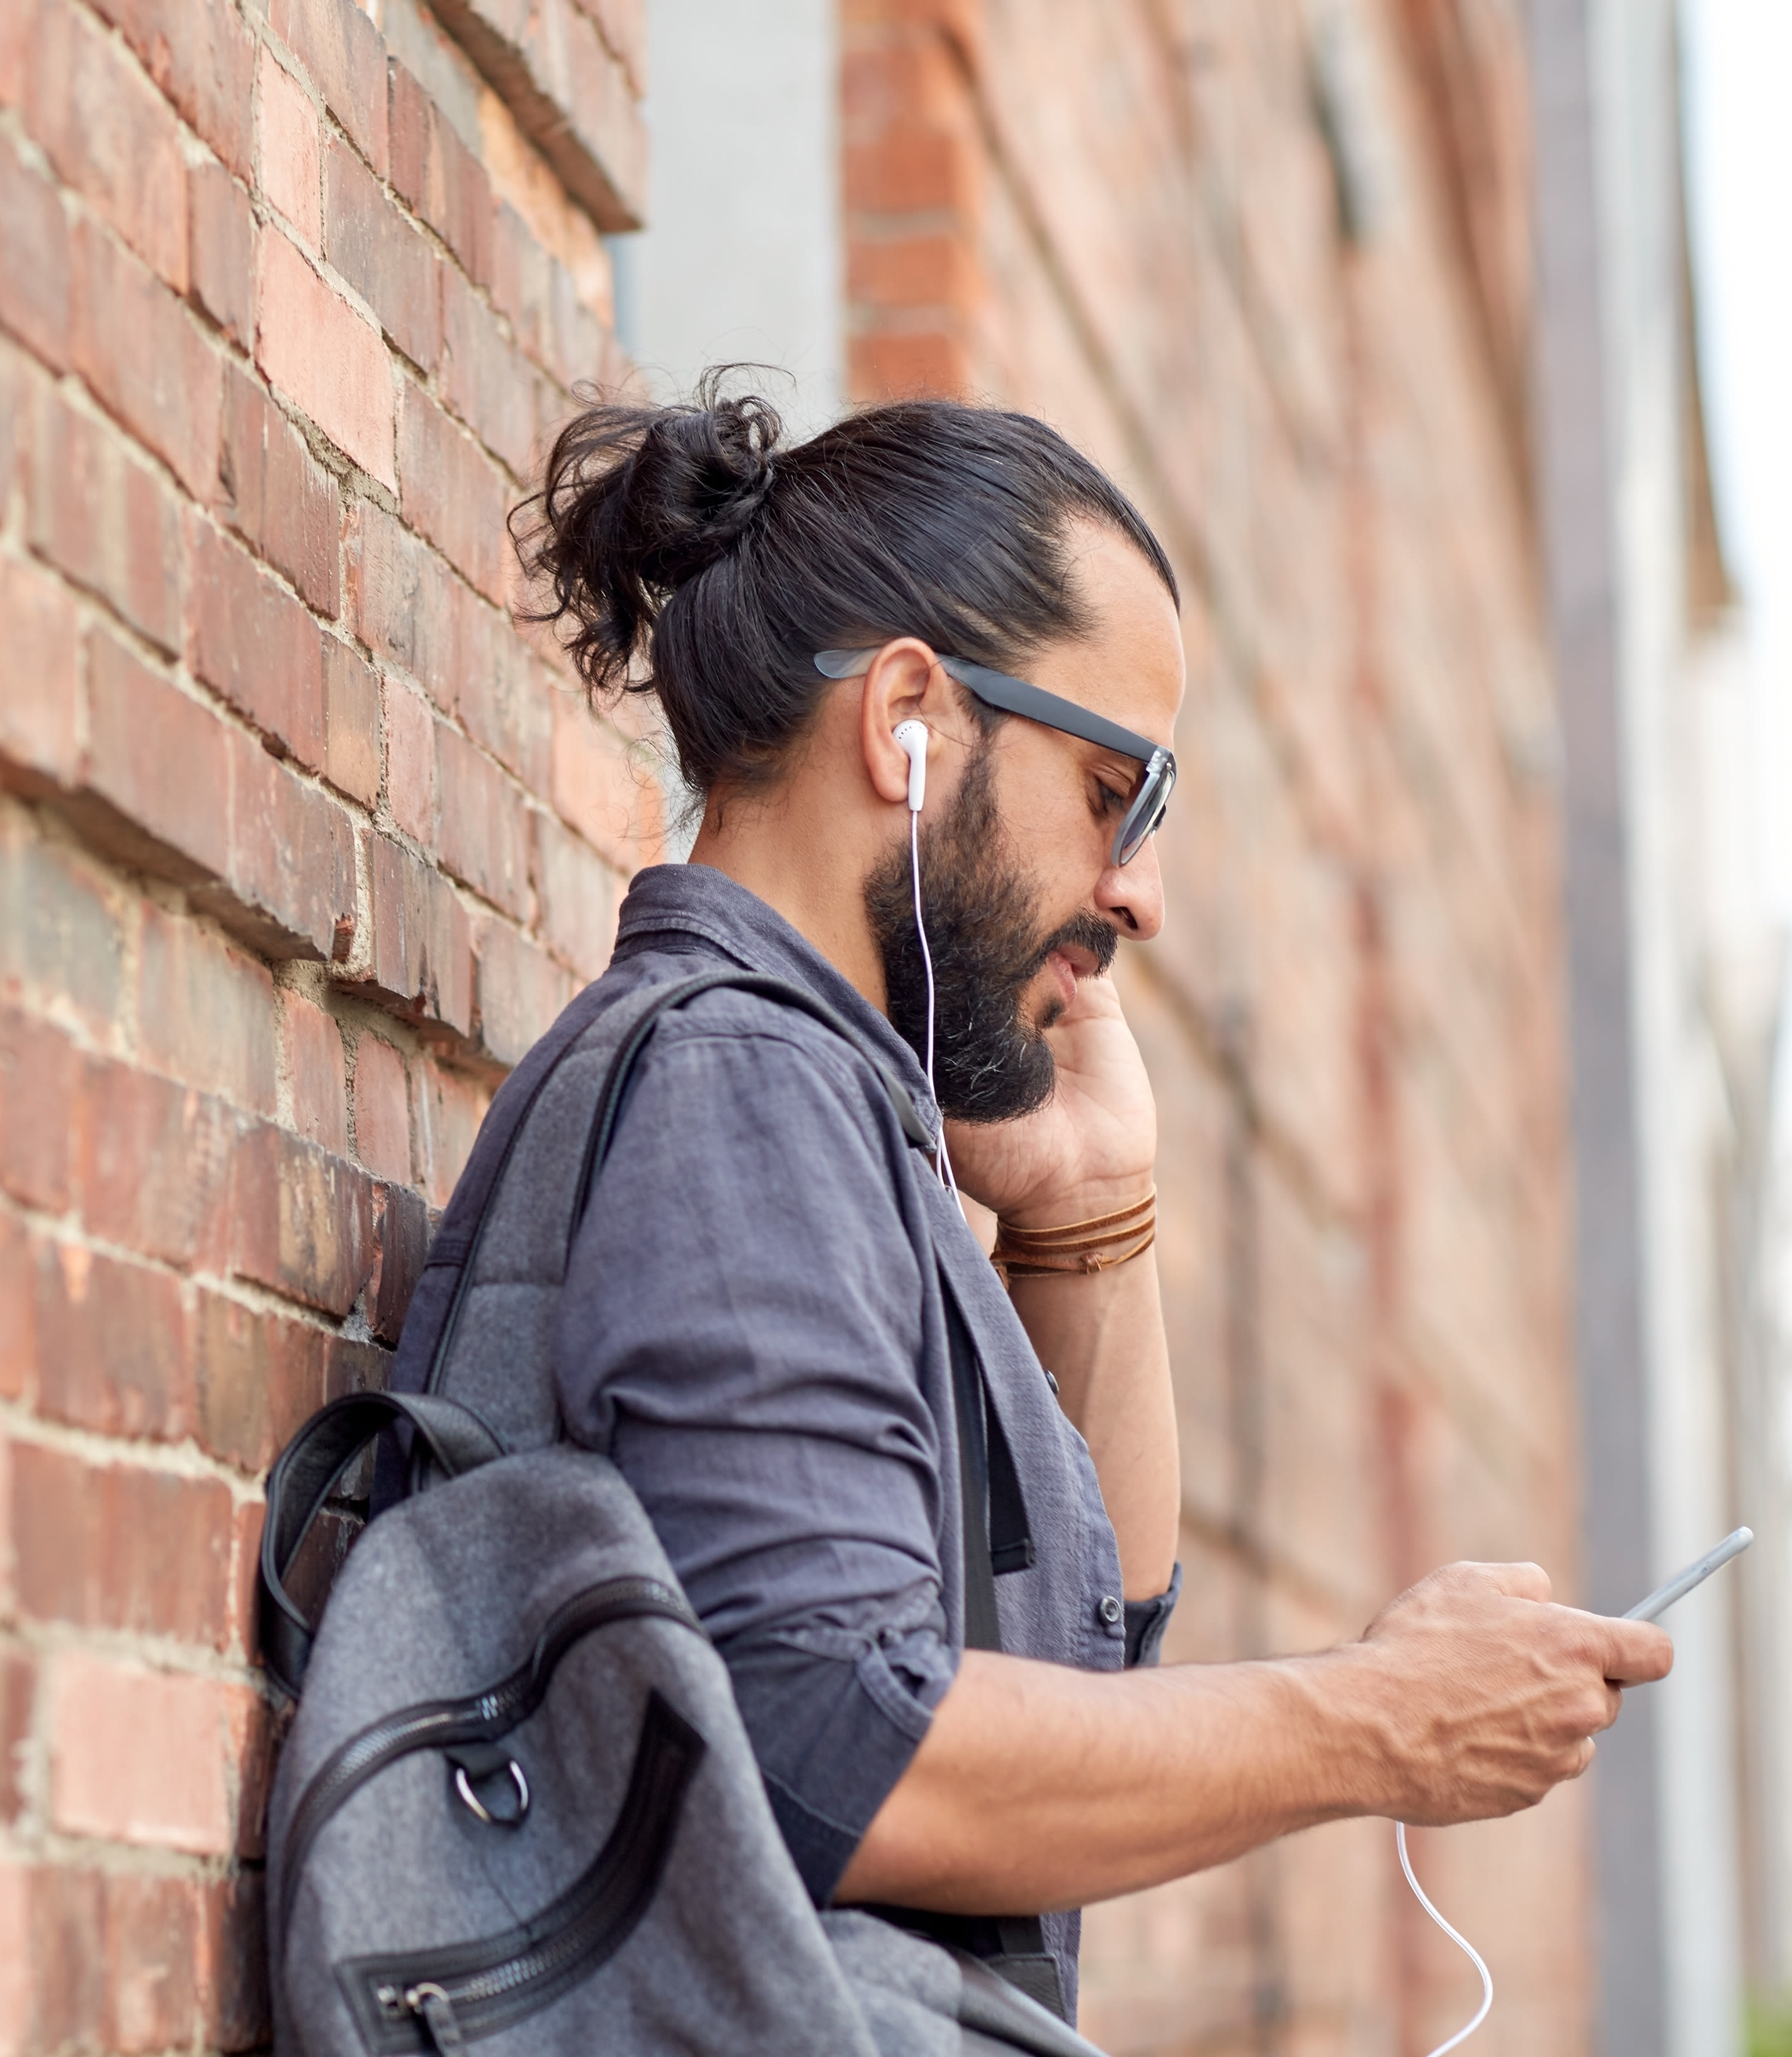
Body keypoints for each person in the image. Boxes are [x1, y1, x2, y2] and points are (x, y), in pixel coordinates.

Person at [390, 375, 1672, 2019]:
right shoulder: (743, 1081)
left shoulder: (826, 1095)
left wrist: (1086, 1217)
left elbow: (1072, 1676)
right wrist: (1376, 1718)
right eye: (1110, 789)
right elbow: (843, 1749)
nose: (1137, 887)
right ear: (908, 720)